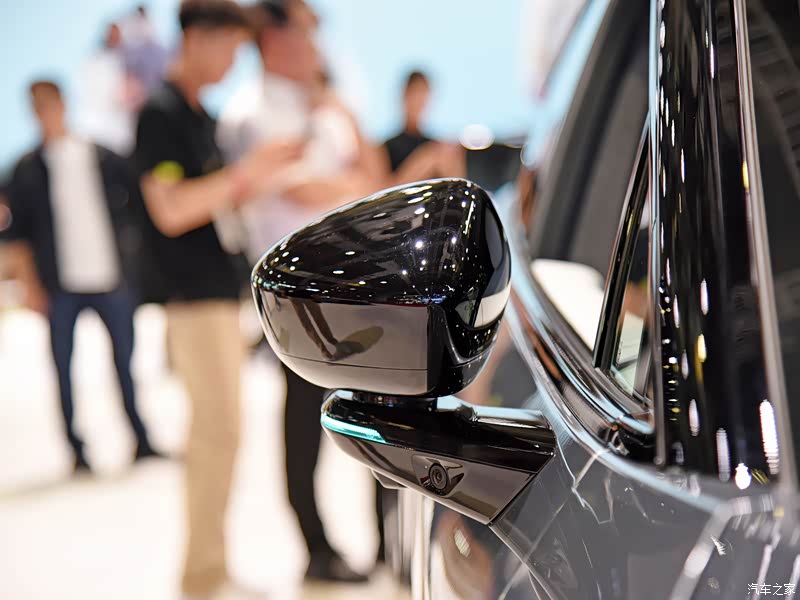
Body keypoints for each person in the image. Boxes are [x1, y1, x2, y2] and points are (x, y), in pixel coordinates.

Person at [132, 2, 302, 598]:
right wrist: (245, 175)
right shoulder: (160, 113)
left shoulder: (197, 113)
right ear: (199, 38)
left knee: (223, 434)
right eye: (230, 47)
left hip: (215, 296)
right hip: (192, 299)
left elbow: (212, 201)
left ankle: (211, 567)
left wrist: (262, 175)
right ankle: (201, 576)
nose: (233, 63)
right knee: (215, 434)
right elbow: (171, 209)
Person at [218, 0, 379, 584]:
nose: (317, 45)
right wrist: (343, 183)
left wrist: (342, 148)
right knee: (304, 420)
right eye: (307, 33)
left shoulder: (326, 107)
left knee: (375, 406)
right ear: (276, 40)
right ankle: (315, 545)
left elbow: (371, 178)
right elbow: (297, 191)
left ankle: (384, 540)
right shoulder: (249, 113)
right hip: (295, 291)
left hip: (350, 284)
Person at [1, 80, 159, 473]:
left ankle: (140, 438)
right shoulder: (25, 170)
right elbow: (17, 236)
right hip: (60, 287)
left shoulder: (101, 156)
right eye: (37, 106)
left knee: (125, 363)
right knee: (63, 370)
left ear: (62, 103)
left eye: (49, 104)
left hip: (111, 279)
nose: (45, 113)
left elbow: (141, 201)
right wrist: (31, 287)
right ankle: (77, 450)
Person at [382, 70, 465, 183]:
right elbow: (385, 188)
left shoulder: (437, 146)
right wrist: (427, 158)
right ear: (404, 95)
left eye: (422, 95)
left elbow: (455, 184)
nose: (418, 102)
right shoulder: (386, 148)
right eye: (414, 94)